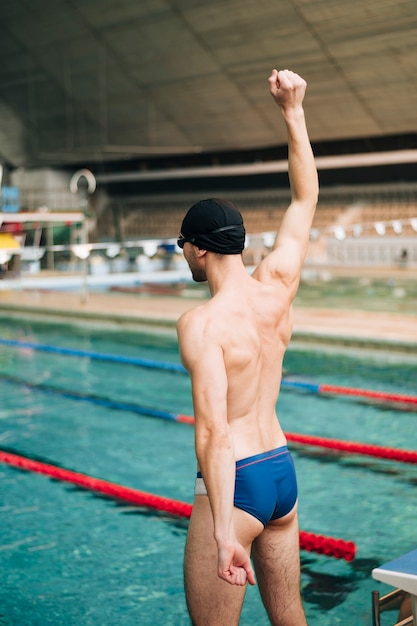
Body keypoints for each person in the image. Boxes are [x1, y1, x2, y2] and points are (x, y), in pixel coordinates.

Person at [176, 68, 318, 626]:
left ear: (198, 249)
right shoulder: (276, 288)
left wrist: (220, 534)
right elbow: (305, 200)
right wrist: (294, 110)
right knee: (290, 616)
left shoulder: (202, 323)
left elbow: (211, 430)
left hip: (234, 486)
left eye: (182, 245)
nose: (182, 254)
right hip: (281, 471)